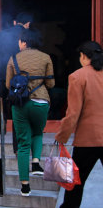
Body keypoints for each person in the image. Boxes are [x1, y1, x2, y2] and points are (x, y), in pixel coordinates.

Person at [6, 29, 55, 196]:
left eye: (19, 41)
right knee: (38, 134)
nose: (18, 43)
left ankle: (25, 187)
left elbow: (8, 85)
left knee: (23, 143)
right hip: (41, 102)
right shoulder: (46, 57)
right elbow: (51, 84)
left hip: (20, 104)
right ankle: (36, 163)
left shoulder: (13, 59)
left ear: (24, 42)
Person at [55, 41, 103, 208]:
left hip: (88, 139)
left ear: (83, 57)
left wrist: (62, 136)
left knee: (76, 181)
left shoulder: (78, 76)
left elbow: (73, 113)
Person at [0, 12, 34, 154]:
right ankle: (17, 148)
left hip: (0, 75)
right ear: (27, 24)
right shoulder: (27, 35)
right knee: (18, 111)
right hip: (18, 79)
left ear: (15, 22)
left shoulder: (1, 34)